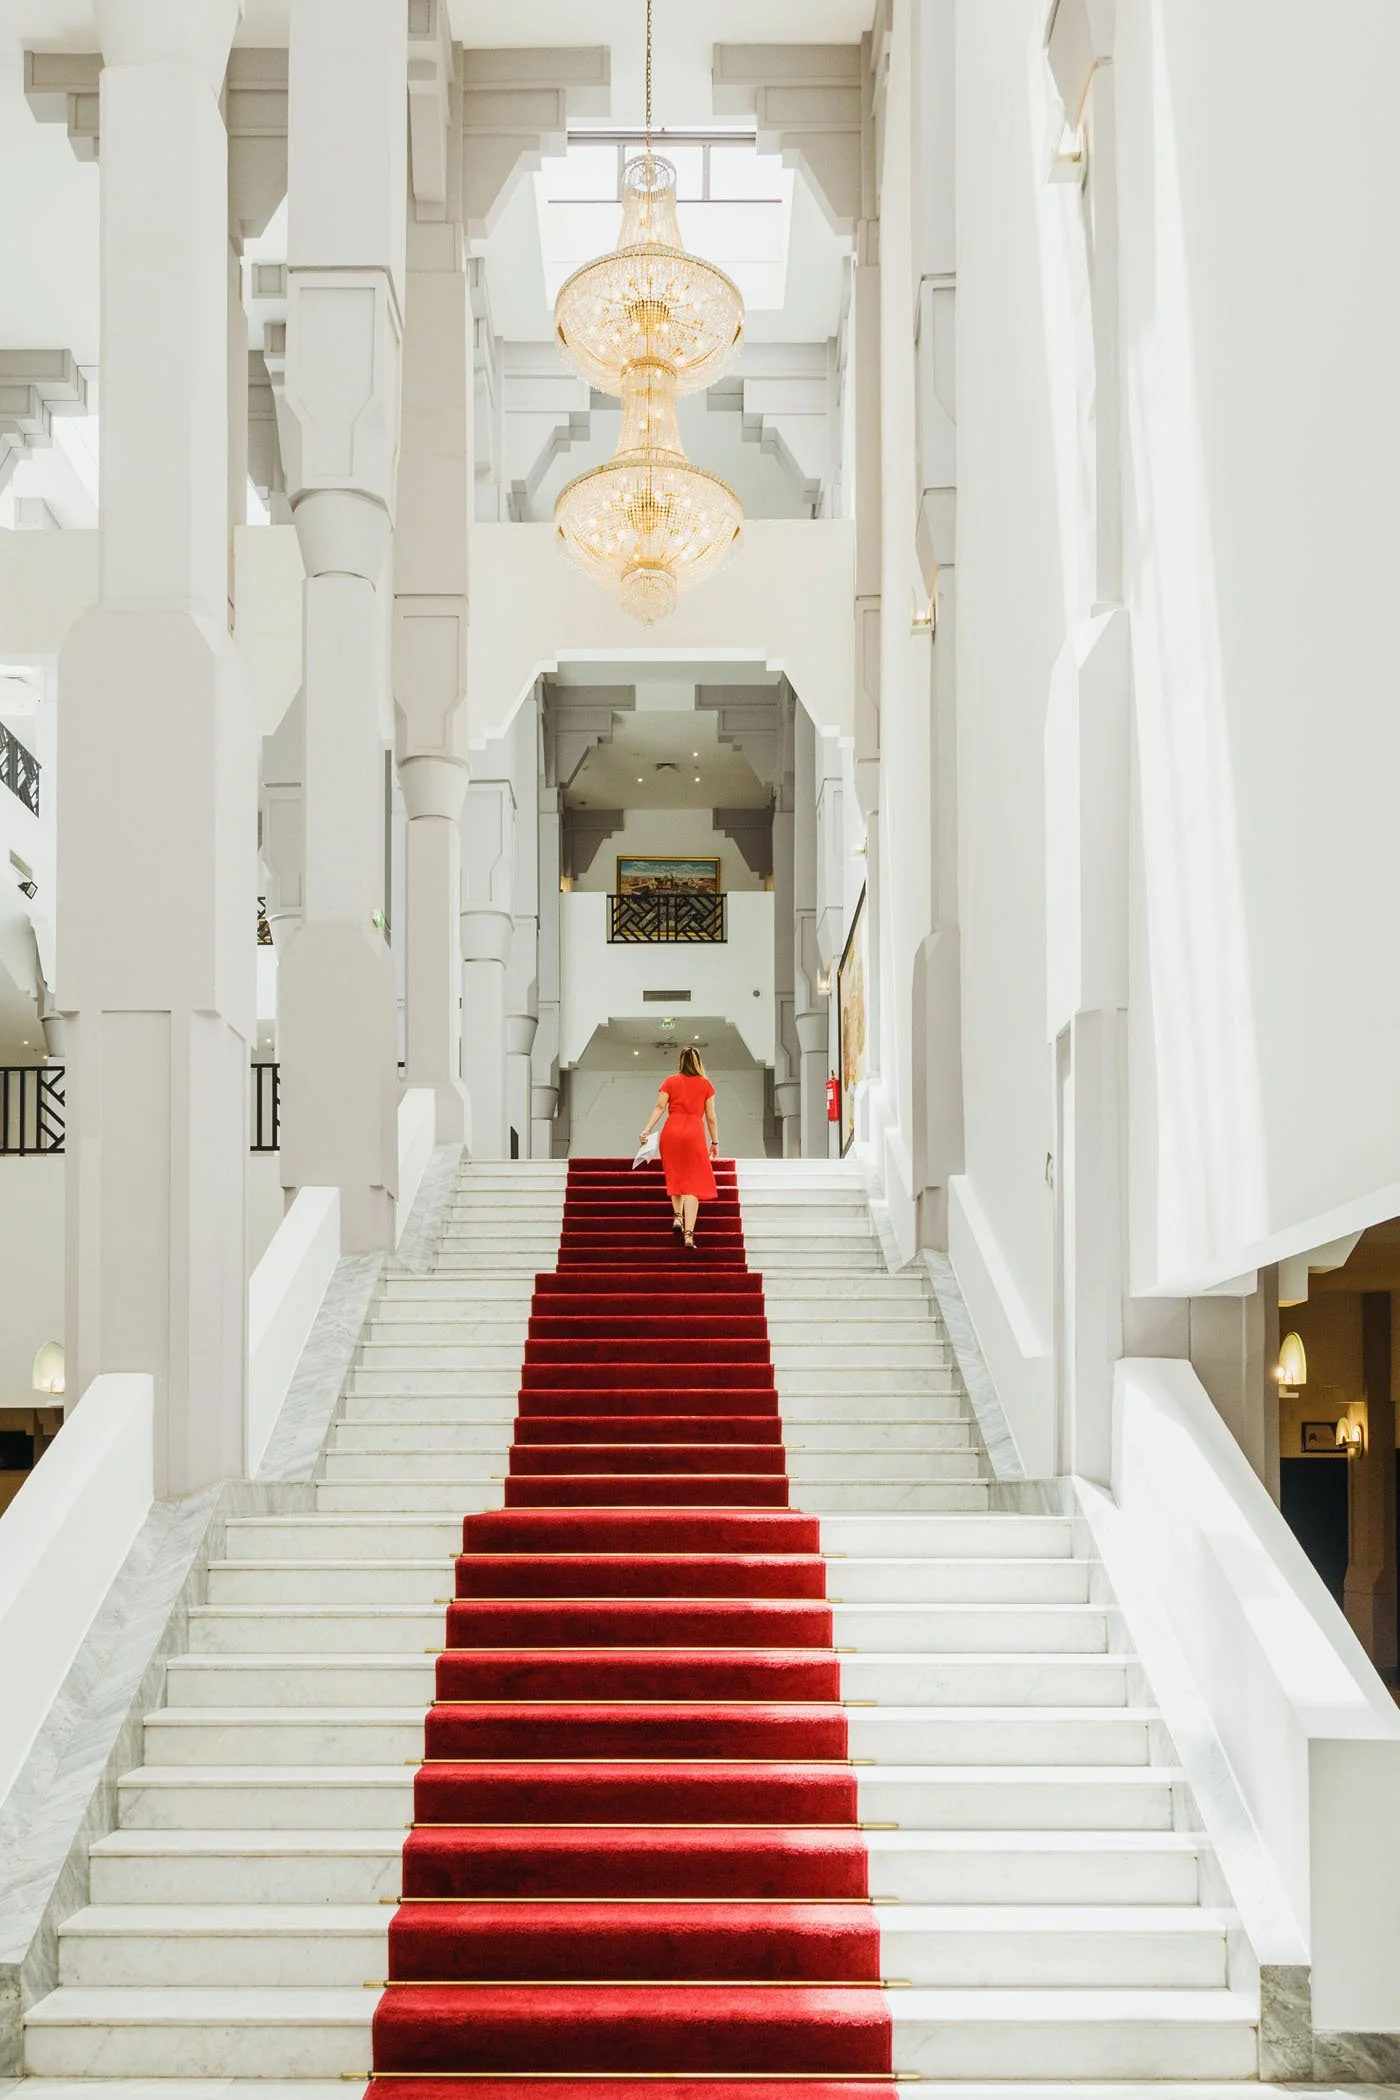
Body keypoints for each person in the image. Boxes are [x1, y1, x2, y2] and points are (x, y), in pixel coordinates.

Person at [638, 1046, 718, 1249]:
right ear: (698, 1062)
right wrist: (715, 1142)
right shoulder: (705, 1084)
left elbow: (659, 1107)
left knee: (676, 1175)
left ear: (680, 1062)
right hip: (694, 1132)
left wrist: (647, 1130)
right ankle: (689, 1234)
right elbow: (710, 1117)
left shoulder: (670, 1081)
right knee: (693, 1184)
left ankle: (676, 1217)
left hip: (671, 1130)